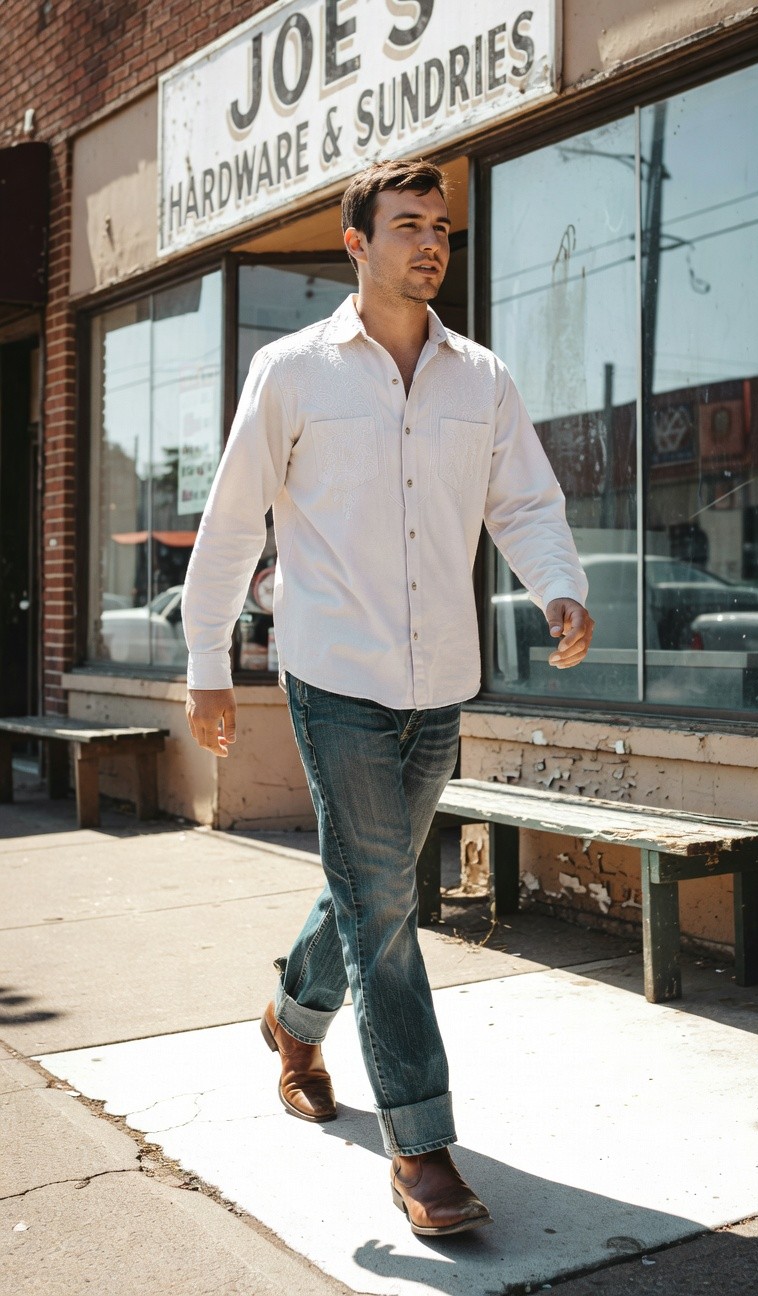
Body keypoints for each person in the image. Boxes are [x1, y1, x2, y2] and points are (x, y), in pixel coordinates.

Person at [182, 159, 593, 1238]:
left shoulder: (482, 379)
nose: (430, 244)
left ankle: (291, 1016)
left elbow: (527, 502)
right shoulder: (292, 372)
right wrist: (208, 663)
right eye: (407, 225)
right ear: (353, 244)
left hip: (440, 685)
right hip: (334, 680)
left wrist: (558, 587)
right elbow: (233, 525)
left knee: (373, 893)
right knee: (385, 906)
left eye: (441, 229)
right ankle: (421, 1147)